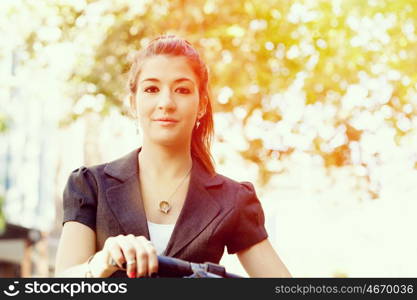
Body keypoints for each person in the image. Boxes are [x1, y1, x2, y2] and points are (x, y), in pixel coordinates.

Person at [54, 35, 291, 278]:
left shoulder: (233, 199)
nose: (166, 102)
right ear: (133, 102)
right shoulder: (90, 185)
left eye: (182, 90)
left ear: (201, 105)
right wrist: (101, 263)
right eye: (152, 89)